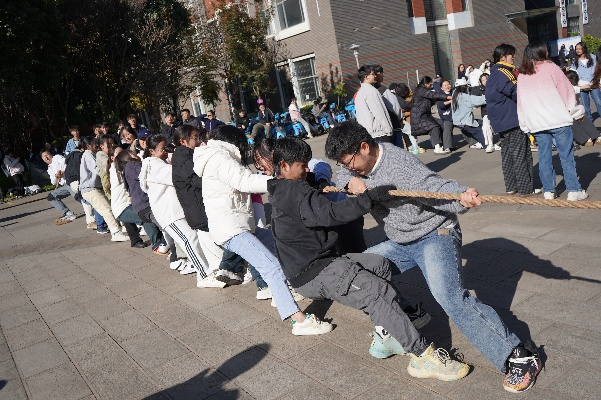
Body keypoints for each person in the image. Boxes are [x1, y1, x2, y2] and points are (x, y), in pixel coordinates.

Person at [325, 121, 542, 393]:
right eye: (344, 164)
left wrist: (461, 196)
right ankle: (408, 315)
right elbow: (339, 173)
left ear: (364, 147)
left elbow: (435, 187)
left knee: (448, 296)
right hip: (400, 241)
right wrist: (348, 180)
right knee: (358, 270)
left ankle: (518, 354)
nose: (347, 168)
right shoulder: (353, 167)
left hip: (435, 234)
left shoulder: (399, 164)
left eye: (349, 162)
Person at [268, 137, 470, 382]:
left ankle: (393, 327)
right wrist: (369, 199)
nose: (307, 170)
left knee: (379, 265)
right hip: (313, 271)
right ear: (284, 166)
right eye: (302, 166)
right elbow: (332, 213)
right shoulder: (293, 192)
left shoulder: (287, 186)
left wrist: (318, 181)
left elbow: (314, 188)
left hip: (322, 261)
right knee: (376, 292)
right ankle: (422, 357)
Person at [193, 124, 332, 335]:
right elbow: (245, 181)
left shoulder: (218, 157)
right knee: (272, 267)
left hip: (239, 225)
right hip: (232, 229)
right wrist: (279, 182)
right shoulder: (220, 158)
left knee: (279, 244)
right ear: (234, 143)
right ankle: (299, 321)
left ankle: (282, 292)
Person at [140, 133, 226, 286]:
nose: (165, 151)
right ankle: (203, 276)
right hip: (169, 214)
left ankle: (209, 271)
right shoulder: (153, 165)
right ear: (152, 151)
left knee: (194, 239)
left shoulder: (159, 162)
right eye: (162, 149)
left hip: (175, 212)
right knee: (189, 240)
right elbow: (175, 176)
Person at [172, 124, 246, 286]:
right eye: (195, 137)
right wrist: (216, 179)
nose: (199, 140)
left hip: (198, 208)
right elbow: (194, 179)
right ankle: (227, 270)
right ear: (183, 141)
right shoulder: (183, 156)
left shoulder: (184, 155)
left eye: (199, 136)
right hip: (199, 208)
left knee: (221, 240)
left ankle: (227, 270)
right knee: (229, 235)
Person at [517, 41, 588, 202]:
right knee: (566, 155)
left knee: (544, 157)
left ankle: (549, 191)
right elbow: (567, 92)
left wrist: (525, 124)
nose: (548, 51)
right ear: (541, 52)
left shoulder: (522, 74)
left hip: (537, 123)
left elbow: (521, 103)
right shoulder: (551, 67)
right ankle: (574, 190)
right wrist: (576, 112)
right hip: (558, 119)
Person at [486, 43, 535, 196]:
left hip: (501, 121)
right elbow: (516, 91)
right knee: (521, 154)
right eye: (511, 55)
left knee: (507, 155)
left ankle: (511, 186)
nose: (513, 57)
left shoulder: (494, 73)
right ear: (503, 57)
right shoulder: (504, 72)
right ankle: (525, 189)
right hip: (512, 120)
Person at [79, 136, 129, 242]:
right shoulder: (88, 154)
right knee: (106, 209)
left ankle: (121, 228)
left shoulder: (92, 154)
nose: (97, 146)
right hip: (89, 188)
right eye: (94, 144)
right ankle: (116, 233)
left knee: (110, 207)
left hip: (93, 188)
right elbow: (97, 169)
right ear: (88, 146)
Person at [106, 146, 146, 248]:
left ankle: (136, 240)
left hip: (128, 203)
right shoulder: (115, 169)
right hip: (122, 207)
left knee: (133, 219)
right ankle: (157, 243)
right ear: (112, 158)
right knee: (145, 218)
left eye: (122, 152)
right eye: (117, 153)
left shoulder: (124, 166)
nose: (121, 154)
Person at [411, 76, 453, 154]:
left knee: (441, 123)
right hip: (419, 117)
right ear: (426, 84)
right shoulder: (421, 90)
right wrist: (448, 97)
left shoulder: (424, 90)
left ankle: (444, 145)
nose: (432, 85)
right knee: (434, 127)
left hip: (426, 115)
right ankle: (437, 148)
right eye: (430, 83)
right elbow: (434, 95)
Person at [354, 65, 393, 142]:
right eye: (373, 74)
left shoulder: (359, 93)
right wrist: (388, 130)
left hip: (368, 133)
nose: (375, 76)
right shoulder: (371, 91)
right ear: (366, 77)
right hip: (380, 132)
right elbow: (379, 112)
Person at [41, 149, 78, 224]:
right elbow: (53, 182)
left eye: (47, 155)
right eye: (44, 157)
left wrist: (62, 171)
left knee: (79, 198)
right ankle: (68, 213)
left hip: (71, 181)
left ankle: (96, 210)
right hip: (65, 186)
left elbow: (67, 163)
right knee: (51, 197)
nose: (46, 157)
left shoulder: (57, 158)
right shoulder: (49, 169)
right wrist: (56, 176)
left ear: (50, 154)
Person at [451, 78, 489, 151]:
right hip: (465, 121)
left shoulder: (454, 94)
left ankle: (477, 143)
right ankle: (487, 145)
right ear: (464, 87)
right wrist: (490, 96)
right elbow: (478, 100)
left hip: (458, 121)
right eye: (467, 86)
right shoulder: (464, 96)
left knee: (481, 123)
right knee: (478, 131)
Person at [566, 70, 601, 146]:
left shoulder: (578, 82)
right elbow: (572, 89)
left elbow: (586, 84)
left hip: (575, 108)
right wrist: (581, 88)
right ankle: (585, 139)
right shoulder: (564, 86)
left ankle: (596, 137)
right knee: (571, 122)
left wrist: (596, 84)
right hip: (566, 110)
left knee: (583, 118)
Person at [573, 42, 601, 122]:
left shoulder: (593, 57)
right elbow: (574, 74)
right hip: (582, 86)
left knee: (599, 102)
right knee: (585, 105)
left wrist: (598, 81)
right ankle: (590, 121)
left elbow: (598, 69)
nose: (578, 50)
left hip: (593, 84)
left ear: (584, 48)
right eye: (576, 49)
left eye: (579, 48)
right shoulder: (575, 62)